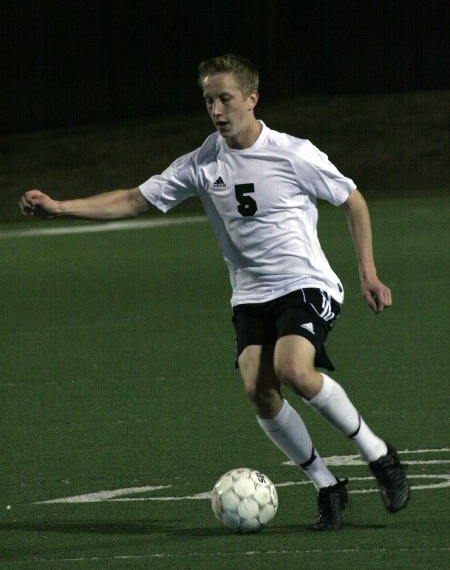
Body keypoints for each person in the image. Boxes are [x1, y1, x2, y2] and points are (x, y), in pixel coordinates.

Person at [19, 53, 410, 530]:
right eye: (209, 101)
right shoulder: (202, 162)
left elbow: (352, 200)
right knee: (258, 391)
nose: (218, 110)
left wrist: (368, 272)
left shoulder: (292, 152)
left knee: (293, 370)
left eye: (226, 98)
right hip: (250, 296)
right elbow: (132, 199)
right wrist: (61, 207)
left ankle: (378, 454)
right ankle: (327, 485)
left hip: (305, 285)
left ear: (251, 98)